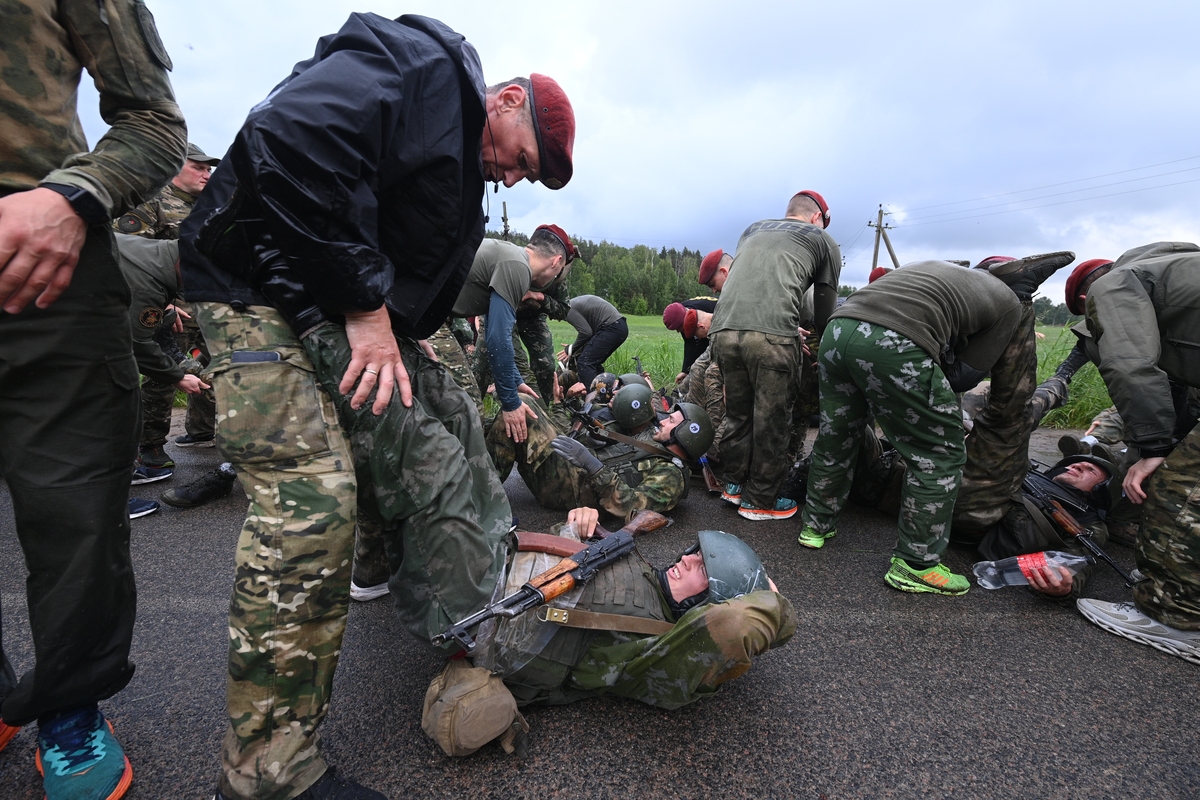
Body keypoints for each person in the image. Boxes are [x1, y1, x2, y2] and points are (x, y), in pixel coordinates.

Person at [179, 12, 575, 800]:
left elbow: (380, 232)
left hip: (319, 305)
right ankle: (267, 777)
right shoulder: (423, 70)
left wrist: (396, 328)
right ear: (504, 100)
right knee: (311, 508)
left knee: (446, 413)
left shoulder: (460, 156)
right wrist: (366, 311)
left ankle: (444, 593)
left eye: (526, 176)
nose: (515, 177)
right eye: (524, 158)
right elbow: (286, 140)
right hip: (252, 290)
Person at [0, 1, 186, 797]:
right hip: (135, 301)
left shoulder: (182, 250)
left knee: (73, 512)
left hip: (43, 254)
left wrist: (74, 195)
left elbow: (152, 120)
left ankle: (70, 712)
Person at [799, 253, 1075, 595]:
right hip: (894, 342)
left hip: (839, 331)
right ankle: (917, 565)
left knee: (838, 434)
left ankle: (815, 526)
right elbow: (964, 377)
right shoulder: (1009, 305)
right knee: (939, 454)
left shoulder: (945, 273)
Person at [480, 507, 796, 710]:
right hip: (496, 555)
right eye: (694, 553)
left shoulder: (665, 650)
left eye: (702, 568)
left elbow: (738, 623)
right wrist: (575, 525)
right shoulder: (642, 570)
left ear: (710, 604)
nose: (686, 559)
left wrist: (771, 600)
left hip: (484, 616)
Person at [1064, 243, 1200, 665]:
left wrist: (1155, 449)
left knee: (1180, 491)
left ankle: (1173, 616)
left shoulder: (1116, 285)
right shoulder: (1175, 272)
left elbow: (1130, 364)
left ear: (1086, 301)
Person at [708, 189, 841, 520]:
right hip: (771, 336)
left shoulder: (752, 229)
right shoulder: (823, 240)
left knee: (739, 414)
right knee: (772, 419)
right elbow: (825, 303)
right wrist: (821, 345)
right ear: (817, 218)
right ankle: (761, 501)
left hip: (723, 331)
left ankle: (733, 486)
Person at [115, 142, 222, 467]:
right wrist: (163, 306)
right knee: (163, 373)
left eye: (208, 168)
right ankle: (150, 446)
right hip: (168, 308)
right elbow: (132, 259)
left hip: (209, 303)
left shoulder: (213, 204)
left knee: (209, 364)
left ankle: (202, 430)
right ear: (176, 166)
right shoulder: (151, 202)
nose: (206, 173)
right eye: (198, 167)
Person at [487, 387, 713, 520]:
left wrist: (593, 465)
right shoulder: (655, 447)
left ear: (684, 435)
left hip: (572, 490)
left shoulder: (671, 476)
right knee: (518, 407)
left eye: (671, 421)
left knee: (521, 407)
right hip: (574, 473)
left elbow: (632, 507)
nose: (664, 421)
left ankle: (479, 494)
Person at [114, 236, 213, 515]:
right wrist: (177, 377)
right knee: (110, 401)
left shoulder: (157, 256)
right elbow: (138, 344)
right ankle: (107, 501)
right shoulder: (147, 284)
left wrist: (165, 305)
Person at [451, 224, 578, 442]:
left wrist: (516, 379)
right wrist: (510, 402)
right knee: (465, 404)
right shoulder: (517, 267)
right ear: (557, 262)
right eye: (561, 270)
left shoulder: (513, 258)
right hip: (424, 319)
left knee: (460, 400)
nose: (558, 277)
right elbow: (498, 339)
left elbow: (494, 328)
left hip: (425, 316)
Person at [559, 294, 628, 393]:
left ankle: (594, 399)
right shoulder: (572, 303)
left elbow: (586, 333)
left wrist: (571, 349)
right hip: (619, 326)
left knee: (585, 363)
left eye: (550, 314)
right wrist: (576, 346)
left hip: (612, 327)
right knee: (594, 363)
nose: (553, 319)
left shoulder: (567, 308)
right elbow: (590, 333)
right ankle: (605, 394)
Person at [662, 298, 717, 382]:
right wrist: (686, 370)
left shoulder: (706, 314)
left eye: (680, 328)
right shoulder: (681, 314)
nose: (678, 331)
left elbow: (704, 344)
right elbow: (690, 343)